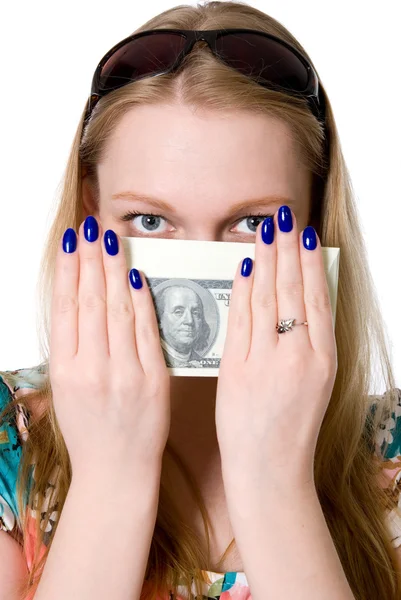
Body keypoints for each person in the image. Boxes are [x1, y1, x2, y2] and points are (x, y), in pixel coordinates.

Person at [0, 2, 400, 599]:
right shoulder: (10, 442)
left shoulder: (390, 460)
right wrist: (111, 482)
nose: (196, 270)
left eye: (253, 224)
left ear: (316, 226)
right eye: (149, 220)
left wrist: (272, 484)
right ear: (92, 213)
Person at [154, 284, 211, 367]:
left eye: (195, 313)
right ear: (159, 320)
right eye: (178, 312)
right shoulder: (150, 360)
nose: (190, 321)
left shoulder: (203, 364)